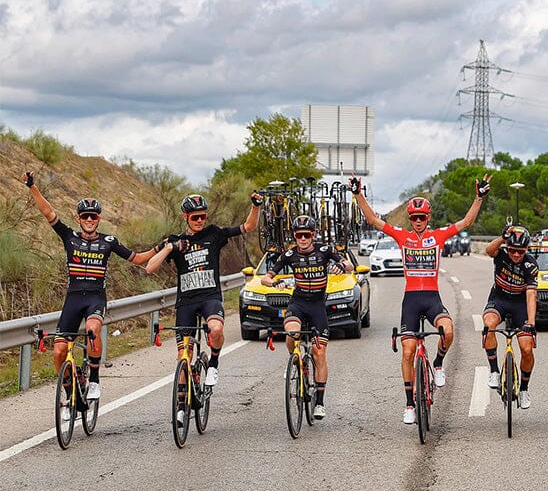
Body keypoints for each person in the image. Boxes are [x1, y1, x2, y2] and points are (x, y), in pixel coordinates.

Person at [349, 173, 491, 424]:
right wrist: (358, 193)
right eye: (413, 218)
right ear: (410, 219)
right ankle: (409, 404)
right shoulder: (402, 237)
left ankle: (437, 364)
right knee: (408, 350)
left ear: (428, 218)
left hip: (432, 297)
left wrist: (478, 198)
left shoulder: (437, 237)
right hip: (411, 300)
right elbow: (372, 219)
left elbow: (466, 222)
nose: (417, 221)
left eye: (421, 217)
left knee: (447, 331)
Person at [22, 171, 158, 408]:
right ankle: (69, 394)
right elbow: (48, 212)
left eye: (93, 216)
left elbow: (137, 259)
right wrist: (32, 187)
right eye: (85, 216)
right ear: (79, 218)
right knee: (58, 351)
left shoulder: (109, 242)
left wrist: (159, 248)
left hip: (96, 297)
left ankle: (94, 380)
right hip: (73, 299)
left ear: (98, 219)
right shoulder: (69, 237)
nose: (89, 219)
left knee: (94, 329)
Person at [146, 192, 262, 400]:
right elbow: (149, 268)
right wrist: (171, 247)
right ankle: (181, 405)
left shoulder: (214, 233)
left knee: (216, 329)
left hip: (210, 297)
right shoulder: (176, 241)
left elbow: (248, 227)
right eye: (195, 217)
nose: (200, 221)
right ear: (185, 217)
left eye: (203, 216)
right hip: (186, 302)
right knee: (184, 356)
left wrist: (256, 206)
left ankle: (214, 364)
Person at [260, 215, 352, 420]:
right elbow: (267, 277)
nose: (302, 239)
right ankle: (294, 359)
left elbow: (349, 266)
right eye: (299, 235)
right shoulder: (289, 254)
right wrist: (275, 283)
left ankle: (319, 402)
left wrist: (341, 266)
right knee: (292, 333)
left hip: (318, 305)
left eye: (306, 235)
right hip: (298, 303)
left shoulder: (325, 250)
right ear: (294, 236)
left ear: (313, 234)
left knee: (319, 353)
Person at [482, 226, 539, 409]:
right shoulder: (502, 254)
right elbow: (489, 250)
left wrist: (531, 323)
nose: (515, 254)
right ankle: (494, 372)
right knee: (489, 325)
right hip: (499, 299)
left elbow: (531, 296)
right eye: (512, 249)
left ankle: (523, 389)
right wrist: (502, 238)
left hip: (519, 304)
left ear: (526, 249)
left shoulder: (531, 265)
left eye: (520, 251)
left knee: (527, 349)